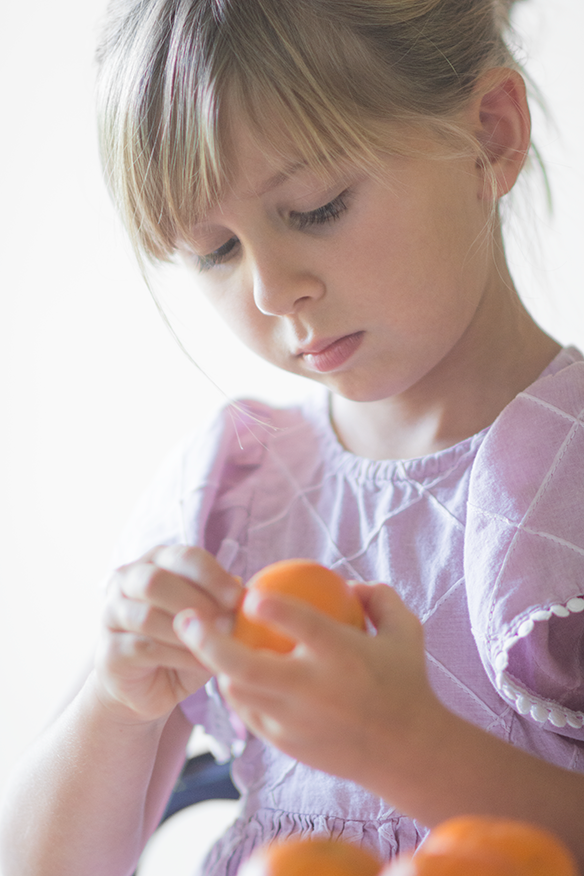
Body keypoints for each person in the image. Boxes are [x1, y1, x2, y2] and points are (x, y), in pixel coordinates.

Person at [1, 0, 584, 874]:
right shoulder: (231, 494)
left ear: (490, 136)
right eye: (215, 252)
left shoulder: (566, 485)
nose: (272, 291)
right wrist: (114, 706)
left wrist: (406, 744)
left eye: (316, 207)